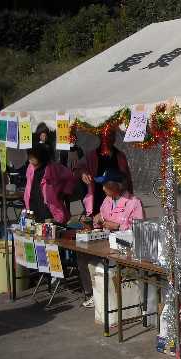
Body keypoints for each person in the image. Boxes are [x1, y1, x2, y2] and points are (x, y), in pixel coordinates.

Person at [78, 168, 144, 308]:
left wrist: (118, 227)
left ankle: (102, 295)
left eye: (106, 186)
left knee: (98, 263)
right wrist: (92, 221)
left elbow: (140, 229)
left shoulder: (134, 202)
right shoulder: (108, 200)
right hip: (105, 243)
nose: (102, 189)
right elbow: (101, 217)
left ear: (116, 186)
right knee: (82, 256)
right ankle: (92, 293)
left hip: (124, 248)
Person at [79, 130, 132, 217]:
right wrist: (83, 173)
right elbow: (79, 167)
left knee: (116, 220)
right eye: (106, 136)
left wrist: (129, 196)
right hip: (98, 194)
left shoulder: (120, 155)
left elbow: (127, 178)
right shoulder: (91, 155)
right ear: (100, 137)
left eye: (112, 135)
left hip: (117, 195)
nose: (109, 139)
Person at [24, 145, 75, 223]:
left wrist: (65, 192)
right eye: (29, 158)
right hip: (32, 203)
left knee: (47, 229)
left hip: (48, 206)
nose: (30, 160)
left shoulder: (53, 167)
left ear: (40, 157)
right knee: (34, 229)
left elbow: (70, 176)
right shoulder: (30, 167)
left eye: (32, 158)